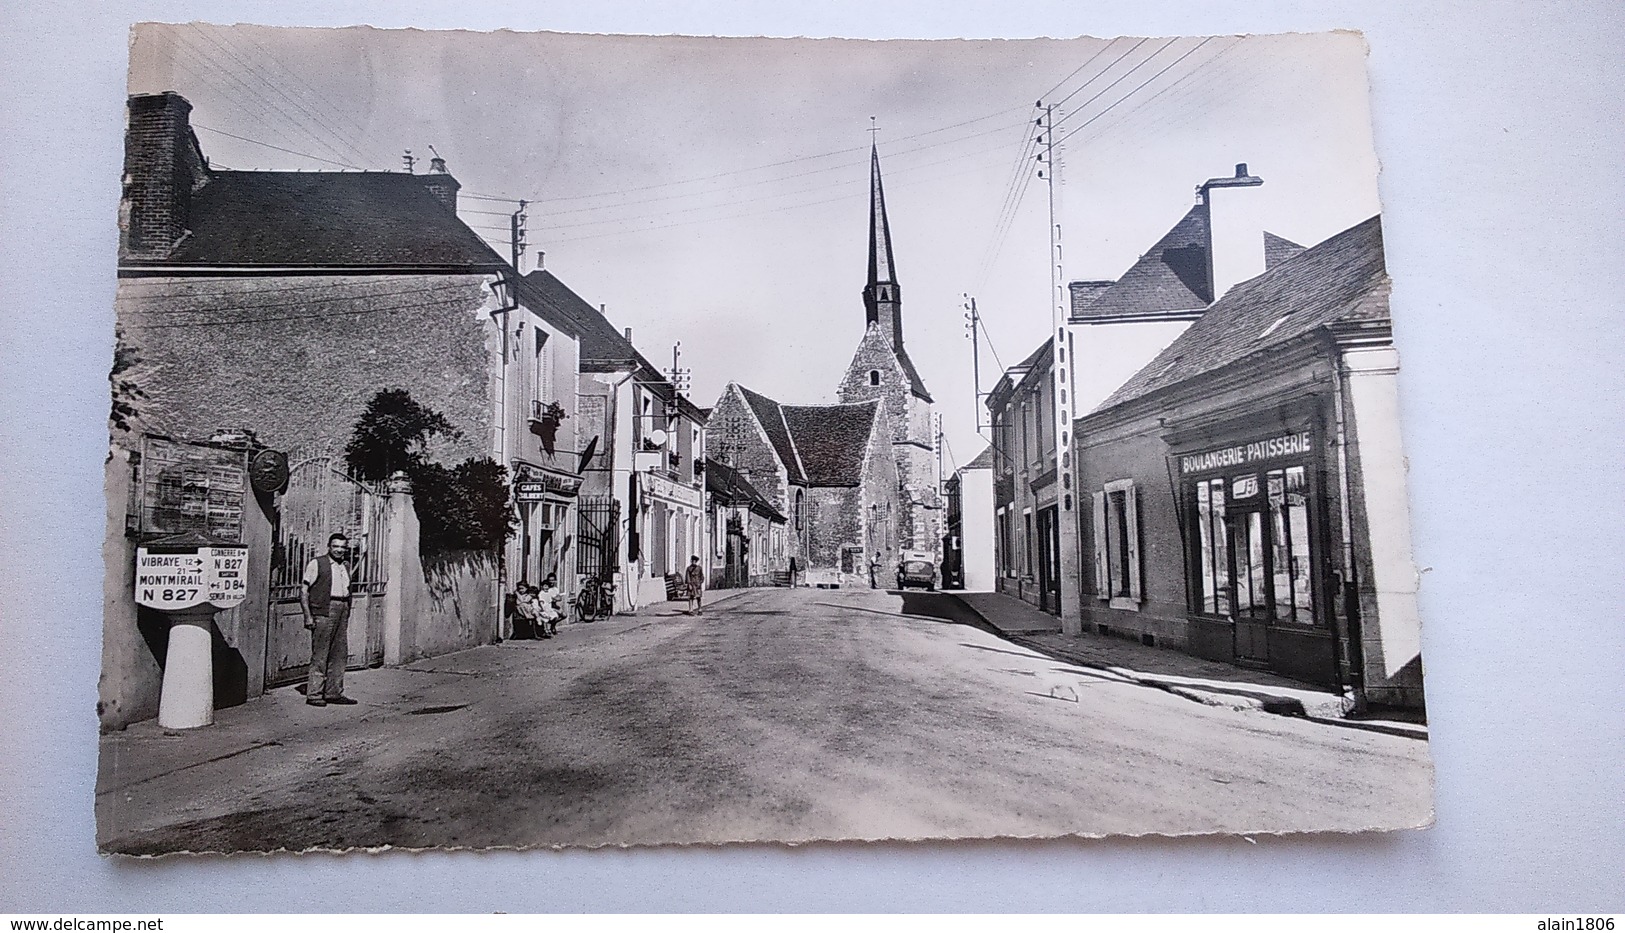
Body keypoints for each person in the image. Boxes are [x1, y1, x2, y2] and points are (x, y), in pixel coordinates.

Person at [299, 533, 357, 707]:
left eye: (342, 547)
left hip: (342, 608)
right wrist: (308, 616)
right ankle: (315, 694)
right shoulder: (317, 563)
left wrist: (346, 610)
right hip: (324, 609)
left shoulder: (345, 566)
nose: (339, 550)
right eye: (335, 546)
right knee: (320, 653)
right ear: (329, 547)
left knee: (339, 653)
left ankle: (333, 692)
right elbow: (304, 591)